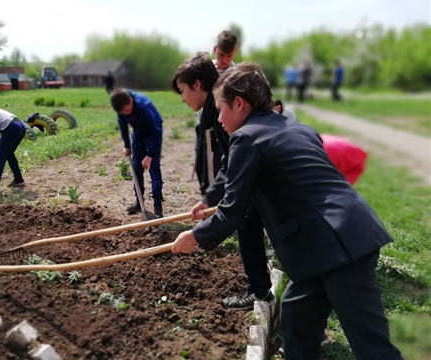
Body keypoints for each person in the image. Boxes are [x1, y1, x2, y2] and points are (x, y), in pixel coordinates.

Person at [172, 63, 403, 360]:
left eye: (220, 109)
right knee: (296, 320)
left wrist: (194, 237)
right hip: (332, 241)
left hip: (339, 249)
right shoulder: (295, 127)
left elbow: (232, 211)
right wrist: (209, 201)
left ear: (240, 104)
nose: (219, 117)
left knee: (371, 345)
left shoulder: (246, 137)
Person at [173, 53, 274, 310]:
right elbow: (230, 164)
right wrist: (208, 199)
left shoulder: (223, 113)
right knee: (247, 221)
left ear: (198, 85)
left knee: (246, 219)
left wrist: (195, 236)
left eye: (183, 91)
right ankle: (259, 288)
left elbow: (233, 172)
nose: (182, 98)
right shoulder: (215, 113)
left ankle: (259, 290)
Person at [110, 88, 164, 218]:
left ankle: (158, 204)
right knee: (136, 168)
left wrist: (150, 154)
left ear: (131, 101)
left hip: (153, 132)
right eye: (122, 112)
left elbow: (156, 131)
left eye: (126, 111)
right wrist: (127, 145)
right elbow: (123, 125)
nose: (125, 114)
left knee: (154, 168)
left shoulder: (142, 106)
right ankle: (139, 202)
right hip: (138, 133)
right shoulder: (121, 104)